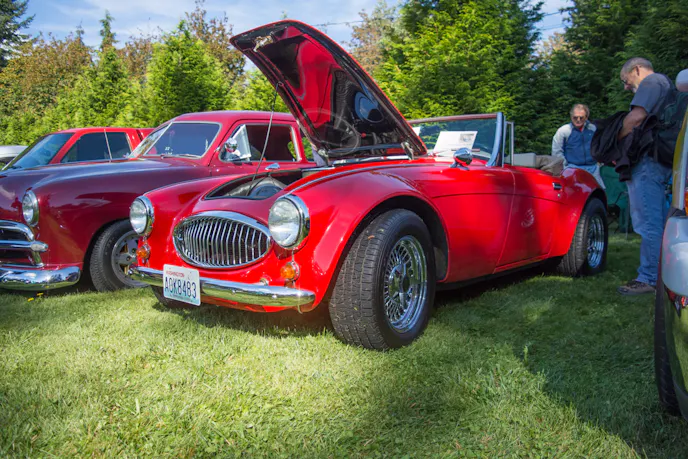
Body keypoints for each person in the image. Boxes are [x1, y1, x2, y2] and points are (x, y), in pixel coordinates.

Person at [616, 57, 674, 295]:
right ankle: (664, 274)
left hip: (648, 162)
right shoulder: (666, 85)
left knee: (648, 221)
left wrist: (614, 140)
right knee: (659, 221)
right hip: (661, 160)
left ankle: (649, 278)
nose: (625, 86)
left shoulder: (652, 82)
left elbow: (636, 117)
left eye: (626, 79)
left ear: (637, 70)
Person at [551, 104, 605, 188]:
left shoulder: (593, 129)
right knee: (574, 192)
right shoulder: (564, 131)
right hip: (572, 168)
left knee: (599, 191)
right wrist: (565, 167)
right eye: (575, 117)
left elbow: (601, 146)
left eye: (581, 118)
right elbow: (556, 151)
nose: (578, 120)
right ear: (571, 116)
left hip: (593, 168)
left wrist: (599, 162)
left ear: (586, 117)